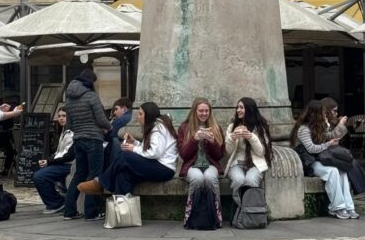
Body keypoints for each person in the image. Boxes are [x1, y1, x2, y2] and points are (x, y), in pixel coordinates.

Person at [78, 102, 178, 196]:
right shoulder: (156, 127)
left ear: (148, 115)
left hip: (164, 169)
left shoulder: (158, 129)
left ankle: (101, 183)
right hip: (158, 166)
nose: (138, 117)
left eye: (140, 114)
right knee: (124, 174)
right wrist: (134, 142)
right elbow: (150, 149)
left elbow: (155, 153)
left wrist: (133, 148)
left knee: (125, 156)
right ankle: (121, 207)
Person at [290, 100, 358, 220]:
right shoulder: (303, 129)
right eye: (323, 113)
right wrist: (328, 144)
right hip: (309, 162)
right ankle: (337, 207)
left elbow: (329, 136)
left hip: (319, 160)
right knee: (332, 172)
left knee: (342, 171)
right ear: (315, 114)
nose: (325, 115)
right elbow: (311, 149)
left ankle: (349, 206)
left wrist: (327, 127)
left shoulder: (317, 128)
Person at [63, 68, 111, 220]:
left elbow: (69, 124)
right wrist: (110, 127)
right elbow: (101, 119)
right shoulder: (91, 96)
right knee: (94, 175)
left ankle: (69, 211)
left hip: (78, 140)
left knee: (79, 174)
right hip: (93, 139)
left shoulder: (69, 98)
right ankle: (91, 212)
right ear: (90, 81)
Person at [321, 97, 365, 201]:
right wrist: (340, 124)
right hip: (323, 155)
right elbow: (330, 137)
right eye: (334, 111)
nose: (336, 113)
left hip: (328, 153)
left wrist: (339, 124)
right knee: (350, 162)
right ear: (327, 111)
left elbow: (335, 138)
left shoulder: (327, 122)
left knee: (350, 161)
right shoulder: (320, 123)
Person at [178, 98, 225, 227]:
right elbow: (184, 155)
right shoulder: (184, 127)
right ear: (194, 111)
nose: (204, 114)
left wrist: (212, 142)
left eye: (206, 111)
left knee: (210, 177)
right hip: (191, 166)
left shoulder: (216, 127)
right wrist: (194, 139)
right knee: (198, 178)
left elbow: (219, 155)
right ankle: (190, 215)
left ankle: (216, 215)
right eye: (201, 111)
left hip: (210, 165)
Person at [225, 97, 272, 204]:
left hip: (255, 164)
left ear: (249, 109)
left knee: (251, 180)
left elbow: (261, 152)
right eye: (237, 107)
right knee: (238, 180)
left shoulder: (260, 128)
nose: (238, 110)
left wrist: (251, 137)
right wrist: (232, 138)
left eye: (241, 107)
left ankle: (251, 211)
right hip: (237, 164)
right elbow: (228, 151)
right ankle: (240, 208)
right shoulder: (232, 127)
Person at [33, 107, 75, 215]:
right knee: (39, 171)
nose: (61, 118)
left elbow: (69, 155)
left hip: (69, 164)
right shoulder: (64, 130)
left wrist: (49, 161)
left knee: (40, 176)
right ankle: (57, 199)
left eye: (64, 116)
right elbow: (60, 152)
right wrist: (49, 160)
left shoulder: (71, 132)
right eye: (59, 116)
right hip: (63, 163)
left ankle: (56, 203)